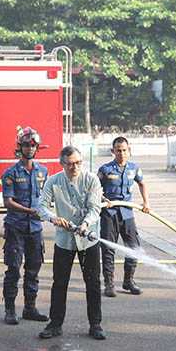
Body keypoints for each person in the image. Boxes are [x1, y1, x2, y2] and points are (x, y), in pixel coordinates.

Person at [37, 145, 105, 340]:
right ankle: (55, 324)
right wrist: (53, 218)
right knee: (60, 283)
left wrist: (85, 224)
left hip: (88, 239)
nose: (74, 167)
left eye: (77, 163)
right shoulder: (53, 181)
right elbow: (41, 206)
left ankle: (95, 324)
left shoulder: (91, 180)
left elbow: (95, 208)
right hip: (64, 240)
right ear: (62, 164)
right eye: (69, 164)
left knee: (92, 283)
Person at [0, 127, 50, 325]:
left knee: (33, 269)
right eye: (26, 145)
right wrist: (30, 211)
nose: (30, 148)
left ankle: (30, 308)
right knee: (13, 269)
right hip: (16, 228)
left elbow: (47, 198)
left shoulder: (43, 171)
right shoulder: (10, 173)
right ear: (19, 147)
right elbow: (8, 202)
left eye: (33, 145)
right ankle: (10, 310)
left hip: (35, 230)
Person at [97, 136, 151, 297]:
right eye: (118, 150)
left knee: (134, 247)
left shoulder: (134, 168)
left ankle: (129, 281)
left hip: (127, 213)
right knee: (108, 249)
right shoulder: (105, 169)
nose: (121, 153)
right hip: (109, 213)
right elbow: (94, 188)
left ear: (129, 150)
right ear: (113, 151)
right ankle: (109, 284)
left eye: (124, 150)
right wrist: (103, 199)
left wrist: (146, 202)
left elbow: (142, 183)